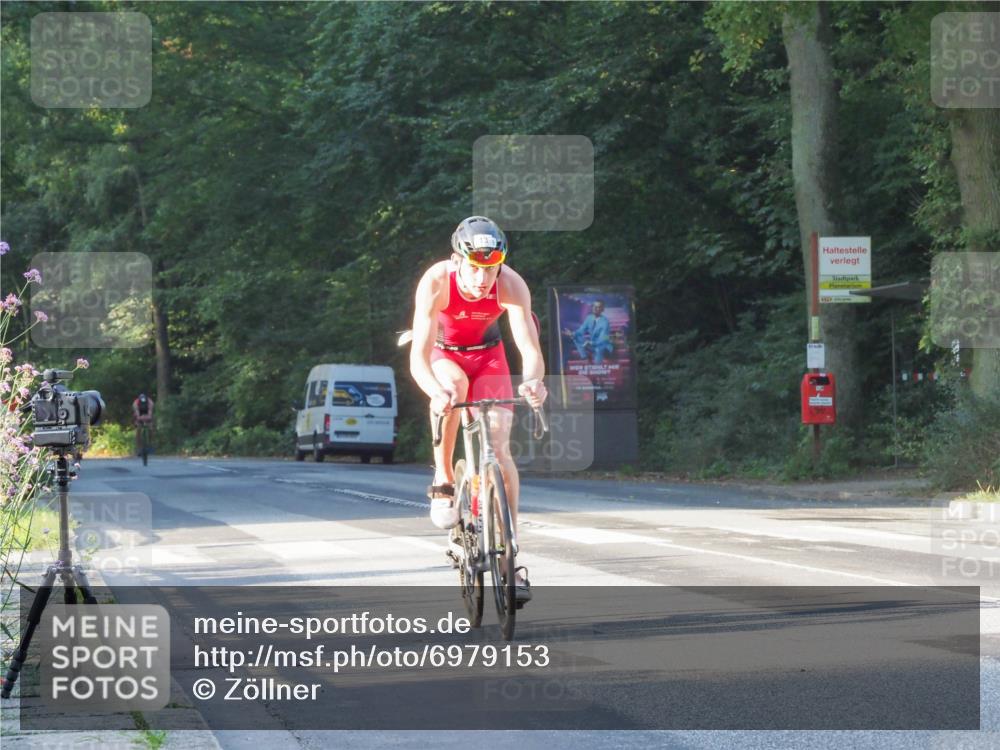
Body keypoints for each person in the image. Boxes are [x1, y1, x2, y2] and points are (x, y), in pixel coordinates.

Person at [409, 216, 547, 602]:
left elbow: (530, 349)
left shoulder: (510, 283)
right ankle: (443, 480)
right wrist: (433, 391)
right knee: (452, 390)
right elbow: (418, 358)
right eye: (475, 268)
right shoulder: (437, 281)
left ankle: (511, 559)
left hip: (489, 357)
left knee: (500, 449)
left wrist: (534, 381)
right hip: (444, 355)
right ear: (457, 260)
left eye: (491, 269)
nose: (483, 278)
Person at [565, 299, 613, 363]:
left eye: (598, 307)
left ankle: (597, 366)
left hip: (603, 346)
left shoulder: (605, 322)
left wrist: (591, 343)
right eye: (594, 306)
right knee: (576, 336)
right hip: (592, 344)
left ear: (602, 309)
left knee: (598, 350)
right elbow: (581, 330)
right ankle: (584, 357)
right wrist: (572, 333)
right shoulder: (589, 318)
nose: (595, 308)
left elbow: (603, 339)